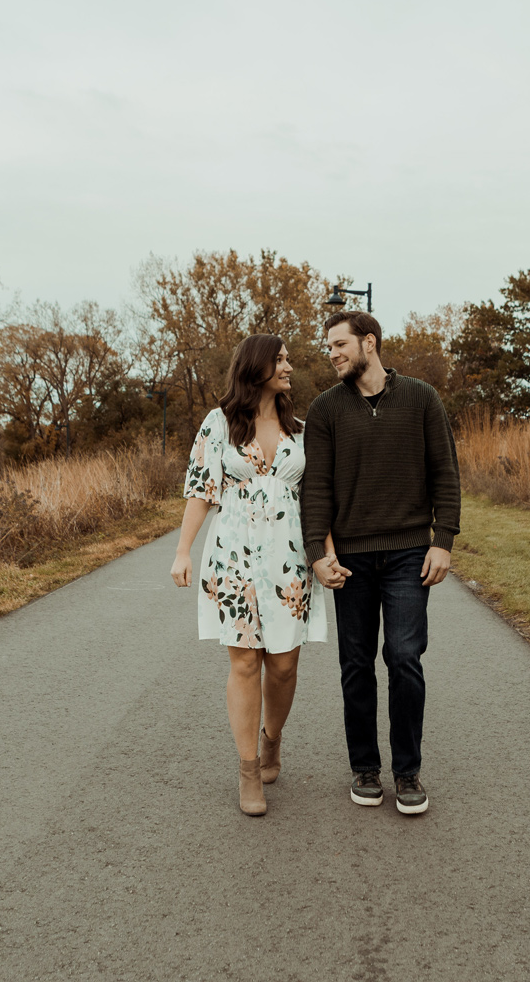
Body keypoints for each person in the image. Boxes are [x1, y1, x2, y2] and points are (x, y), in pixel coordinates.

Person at [301, 310, 461, 816]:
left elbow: (445, 473)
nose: (332, 354)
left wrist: (444, 540)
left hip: (409, 553)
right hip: (350, 557)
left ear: (369, 343)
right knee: (355, 664)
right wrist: (318, 555)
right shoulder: (326, 411)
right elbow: (317, 490)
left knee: (404, 658)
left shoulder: (420, 398)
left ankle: (408, 771)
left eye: (339, 344)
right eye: (329, 347)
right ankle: (365, 767)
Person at [171, 334, 330, 816]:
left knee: (283, 665)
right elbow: (201, 489)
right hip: (233, 556)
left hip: (288, 559)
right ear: (256, 366)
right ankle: (246, 771)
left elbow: (319, 500)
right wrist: (183, 551)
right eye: (280, 360)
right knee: (243, 663)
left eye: (287, 359)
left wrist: (327, 553)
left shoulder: (301, 430)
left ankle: (272, 738)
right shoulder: (218, 424)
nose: (289, 366)